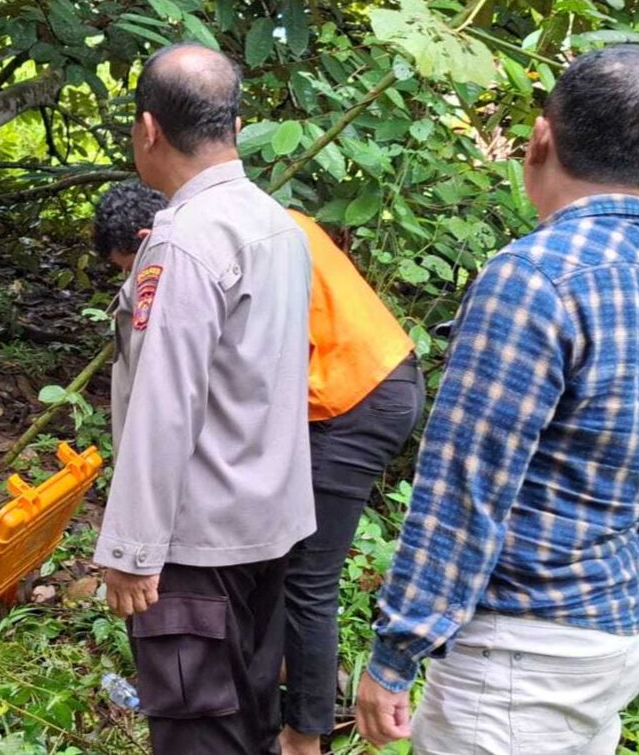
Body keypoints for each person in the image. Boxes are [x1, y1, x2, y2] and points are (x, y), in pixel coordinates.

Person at [356, 45, 639, 754]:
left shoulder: (530, 279)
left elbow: (463, 488)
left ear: (539, 138)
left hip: (520, 657)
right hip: (612, 635)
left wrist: (397, 652)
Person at [94, 180, 423, 755]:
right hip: (374, 375)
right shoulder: (262, 217)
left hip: (355, 392)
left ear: (149, 238)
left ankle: (303, 738)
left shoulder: (201, 245)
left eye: (132, 267)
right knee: (283, 571)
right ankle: (267, 712)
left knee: (303, 576)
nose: (134, 280)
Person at [94, 43, 314, 754]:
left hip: (198, 538)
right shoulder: (277, 225)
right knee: (248, 715)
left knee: (199, 728)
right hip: (266, 521)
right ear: (237, 125)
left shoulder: (185, 238)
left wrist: (131, 545)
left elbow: (167, 398)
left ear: (148, 129)